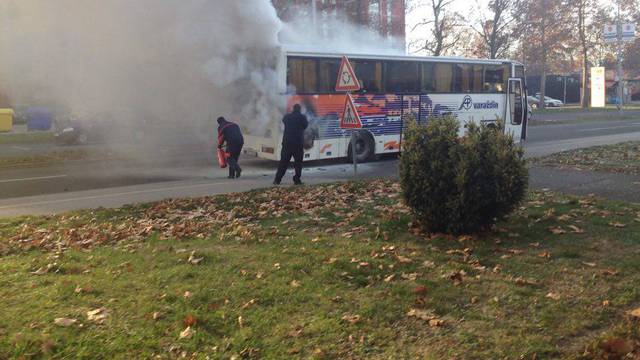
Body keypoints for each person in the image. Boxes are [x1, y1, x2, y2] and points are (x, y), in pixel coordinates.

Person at [274, 104, 308, 185]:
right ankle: (297, 180)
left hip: (287, 143)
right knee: (298, 163)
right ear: (300, 109)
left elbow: (283, 121)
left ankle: (277, 180)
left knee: (283, 162)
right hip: (297, 144)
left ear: (293, 109)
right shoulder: (302, 117)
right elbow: (305, 126)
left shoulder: (287, 117)